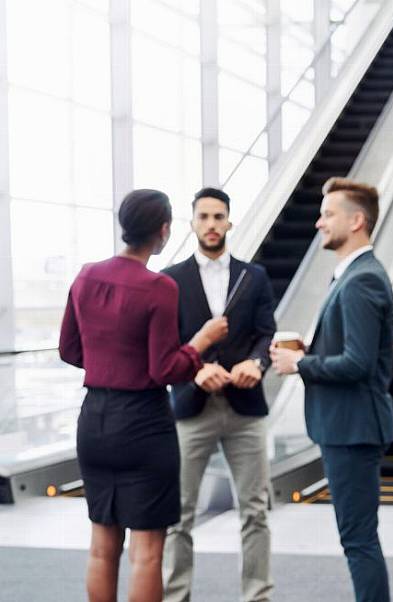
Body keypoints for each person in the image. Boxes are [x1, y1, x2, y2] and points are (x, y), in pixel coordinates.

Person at [59, 189, 229, 602]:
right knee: (148, 553)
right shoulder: (159, 287)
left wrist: (109, 367)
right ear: (164, 231)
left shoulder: (86, 275)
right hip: (143, 424)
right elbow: (164, 369)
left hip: (94, 420)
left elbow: (69, 349)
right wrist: (200, 343)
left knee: (102, 546)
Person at [269, 177, 393, 602]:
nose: (319, 223)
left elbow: (358, 364)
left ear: (356, 220)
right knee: (357, 537)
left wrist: (300, 363)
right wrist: (313, 349)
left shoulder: (362, 279)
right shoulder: (352, 275)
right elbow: (353, 351)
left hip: (353, 429)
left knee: (358, 540)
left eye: (328, 215)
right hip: (348, 427)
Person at [162, 187, 276, 602]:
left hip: (245, 407)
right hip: (191, 408)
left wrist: (257, 363)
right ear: (192, 223)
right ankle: (176, 596)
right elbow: (166, 345)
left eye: (219, 217)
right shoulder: (170, 280)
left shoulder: (254, 275)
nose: (211, 224)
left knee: (256, 512)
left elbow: (267, 333)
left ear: (230, 221)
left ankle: (256, 596)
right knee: (178, 515)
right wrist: (195, 368)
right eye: (204, 217)